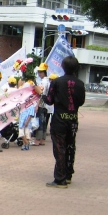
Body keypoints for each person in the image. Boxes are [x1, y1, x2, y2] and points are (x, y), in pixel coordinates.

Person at [35, 56, 85, 188]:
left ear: (63, 67)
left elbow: (49, 100)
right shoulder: (80, 83)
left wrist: (41, 94)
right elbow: (81, 101)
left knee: (59, 147)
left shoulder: (57, 82)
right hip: (73, 118)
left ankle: (60, 178)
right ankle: (68, 174)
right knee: (70, 146)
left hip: (59, 118)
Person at [34, 63, 50, 146]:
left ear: (43, 72)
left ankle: (38, 139)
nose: (39, 74)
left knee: (40, 121)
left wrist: (37, 105)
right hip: (46, 105)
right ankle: (43, 139)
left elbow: (41, 94)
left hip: (41, 104)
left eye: (40, 72)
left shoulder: (43, 82)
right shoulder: (48, 81)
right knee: (43, 122)